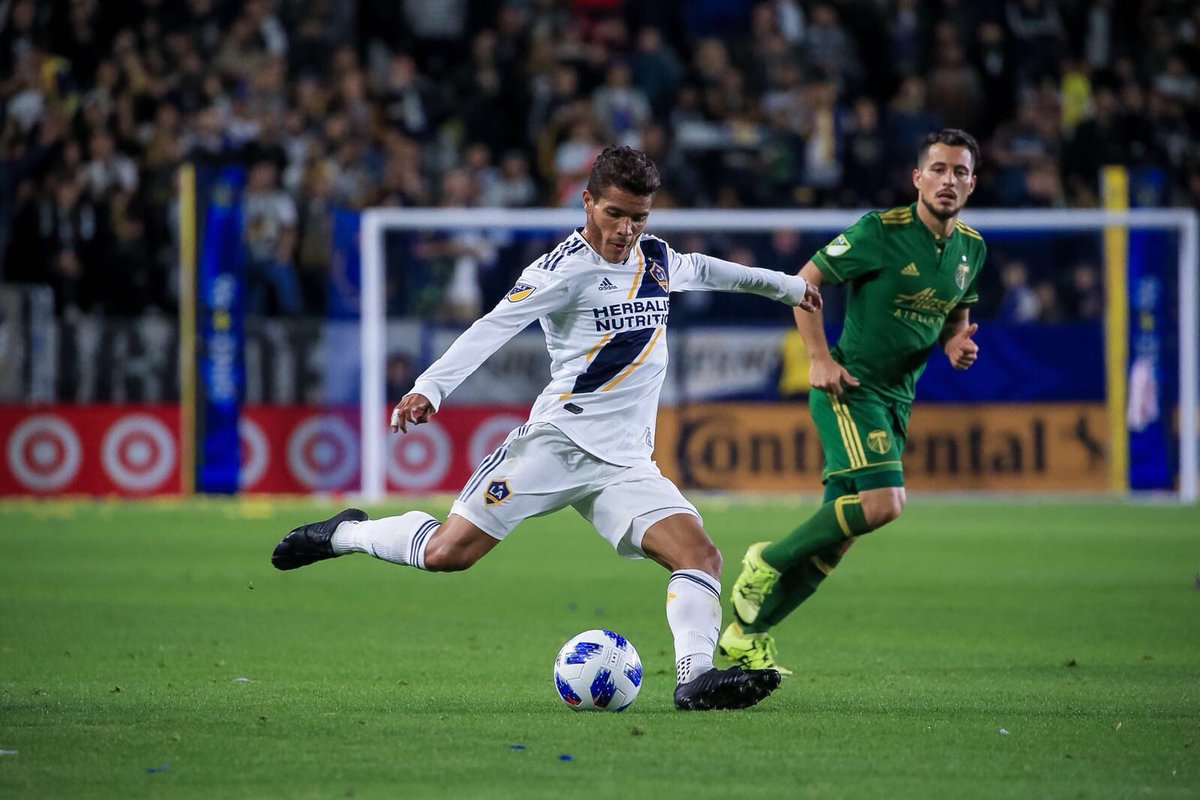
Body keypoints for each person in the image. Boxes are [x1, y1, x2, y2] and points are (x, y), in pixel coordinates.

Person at [272, 145, 823, 711]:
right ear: (587, 202)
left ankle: (694, 678)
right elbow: (493, 327)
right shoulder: (559, 271)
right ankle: (345, 533)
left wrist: (786, 286)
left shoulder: (655, 259)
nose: (626, 230)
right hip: (556, 443)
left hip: (626, 462)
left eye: (638, 217)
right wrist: (429, 388)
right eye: (614, 214)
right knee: (447, 553)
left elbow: (708, 271)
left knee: (700, 556)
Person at [718, 129, 985, 675]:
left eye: (959, 172)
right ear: (917, 177)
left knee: (839, 538)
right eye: (937, 169)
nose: (948, 181)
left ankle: (746, 635)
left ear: (972, 183)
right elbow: (803, 284)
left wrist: (956, 341)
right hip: (849, 388)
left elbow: (955, 312)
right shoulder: (880, 231)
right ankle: (765, 559)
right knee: (885, 504)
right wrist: (818, 358)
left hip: (897, 400)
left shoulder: (971, 249)